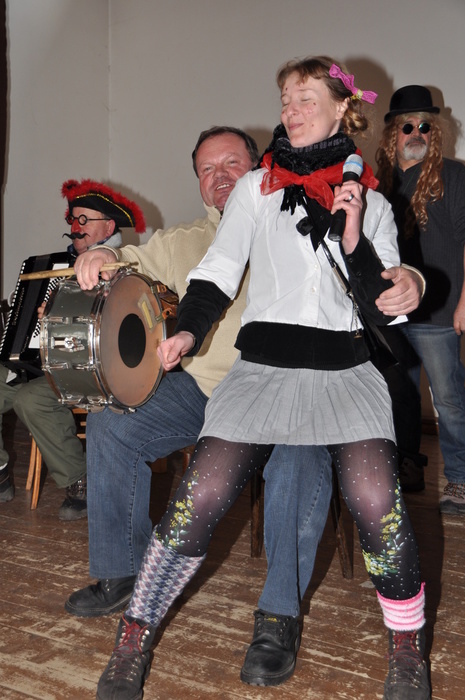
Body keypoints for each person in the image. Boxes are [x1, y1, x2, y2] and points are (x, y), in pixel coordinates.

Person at [93, 58, 431, 700]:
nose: (291, 111)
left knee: (376, 503)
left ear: (342, 108)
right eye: (285, 100)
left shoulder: (375, 204)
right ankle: (132, 640)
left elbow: (386, 298)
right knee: (198, 500)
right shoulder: (257, 188)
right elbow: (218, 271)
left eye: (306, 99)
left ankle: (407, 650)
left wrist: (379, 256)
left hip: (345, 369)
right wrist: (189, 330)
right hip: (262, 370)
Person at [0, 179, 145, 519]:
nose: (75, 227)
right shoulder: (53, 265)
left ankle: (80, 480)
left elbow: (121, 327)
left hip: (91, 368)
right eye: (72, 219)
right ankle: (1, 471)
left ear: (109, 226)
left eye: (84, 220)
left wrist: (57, 318)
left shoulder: (125, 267)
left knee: (31, 399)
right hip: (39, 364)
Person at [376, 85, 465, 509]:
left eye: (425, 126)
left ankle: (460, 478)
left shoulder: (455, 176)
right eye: (407, 126)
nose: (416, 133)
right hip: (392, 314)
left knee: (448, 400)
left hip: (440, 312)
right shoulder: (378, 182)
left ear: (436, 132)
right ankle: (407, 469)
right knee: (399, 396)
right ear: (392, 134)